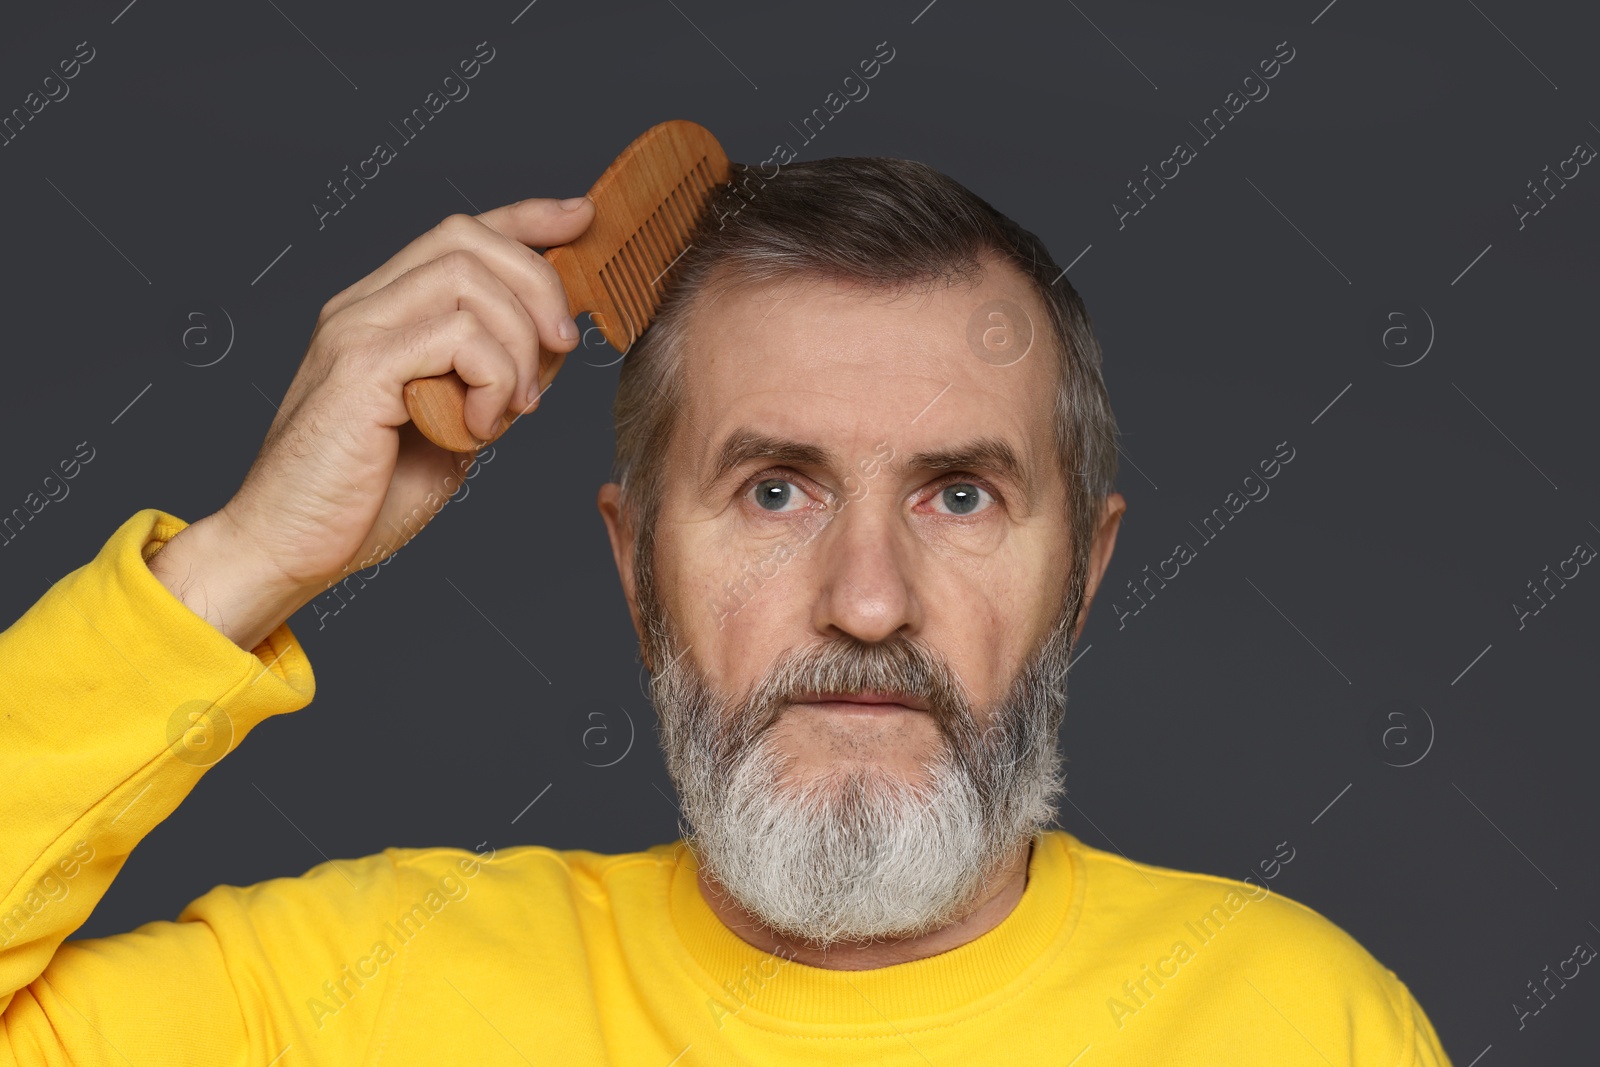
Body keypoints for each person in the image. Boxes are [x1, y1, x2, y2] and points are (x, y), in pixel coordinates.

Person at [0, 157, 1451, 1065]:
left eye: (958, 496)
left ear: (1081, 577)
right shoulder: (336, 1003)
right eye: (775, 492)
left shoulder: (1300, 1026)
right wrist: (247, 559)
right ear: (637, 571)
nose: (868, 600)